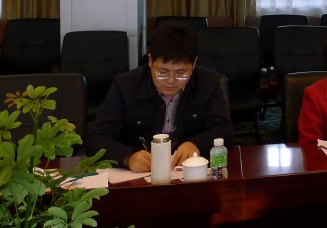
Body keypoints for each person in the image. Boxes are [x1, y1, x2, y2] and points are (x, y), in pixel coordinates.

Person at [85, 24, 232, 172]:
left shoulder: (208, 83)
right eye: (162, 72)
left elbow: (223, 130)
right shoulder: (125, 85)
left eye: (181, 73)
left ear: (193, 64)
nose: (171, 81)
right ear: (150, 61)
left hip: (189, 172)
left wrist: (196, 144)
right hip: (139, 175)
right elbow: (96, 138)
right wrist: (128, 156)